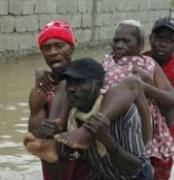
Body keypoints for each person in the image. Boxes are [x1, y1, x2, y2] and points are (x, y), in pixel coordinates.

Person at [51, 20, 174, 177]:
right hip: (110, 125)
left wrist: (143, 87)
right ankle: (54, 134)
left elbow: (173, 100)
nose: (119, 45)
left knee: (131, 83)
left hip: (137, 125)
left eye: (126, 41)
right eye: (116, 40)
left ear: (140, 46)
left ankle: (86, 132)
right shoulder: (107, 62)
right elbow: (87, 81)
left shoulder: (148, 63)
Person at [25, 58, 153, 179]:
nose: (71, 88)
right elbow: (74, 155)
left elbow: (136, 167)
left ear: (98, 85)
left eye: (80, 82)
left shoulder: (124, 112)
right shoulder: (73, 115)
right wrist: (54, 136)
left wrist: (108, 141)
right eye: (69, 83)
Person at [26, 20, 91, 180]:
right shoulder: (42, 87)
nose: (53, 52)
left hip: (81, 161)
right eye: (47, 48)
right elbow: (34, 132)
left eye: (59, 46)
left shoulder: (88, 80)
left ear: (72, 48)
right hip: (53, 164)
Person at [143, 17, 174, 179]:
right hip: (130, 141)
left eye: (169, 40)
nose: (163, 44)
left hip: (162, 147)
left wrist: (146, 85)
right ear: (151, 39)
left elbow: (170, 116)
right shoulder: (136, 62)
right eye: (160, 38)